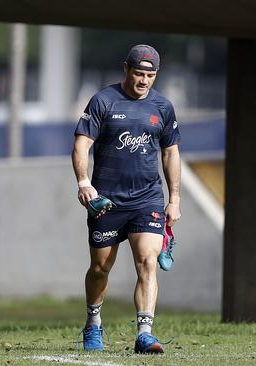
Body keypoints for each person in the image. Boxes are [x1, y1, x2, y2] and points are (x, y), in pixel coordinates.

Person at [72, 44, 181, 354]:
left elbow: (171, 152)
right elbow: (81, 144)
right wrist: (83, 183)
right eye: (138, 73)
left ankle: (145, 333)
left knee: (148, 261)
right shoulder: (103, 101)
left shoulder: (163, 107)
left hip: (147, 199)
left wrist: (174, 199)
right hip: (106, 200)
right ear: (125, 69)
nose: (144, 81)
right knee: (100, 268)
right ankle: (93, 323)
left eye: (150, 75)